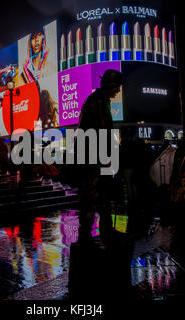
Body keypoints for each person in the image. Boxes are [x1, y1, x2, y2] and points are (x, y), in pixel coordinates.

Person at [77, 69, 123, 245]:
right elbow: (102, 130)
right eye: (117, 87)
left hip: (93, 154)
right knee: (92, 194)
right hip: (93, 156)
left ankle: (104, 229)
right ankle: (87, 234)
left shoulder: (98, 99)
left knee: (101, 194)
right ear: (110, 85)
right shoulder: (98, 101)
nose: (118, 91)